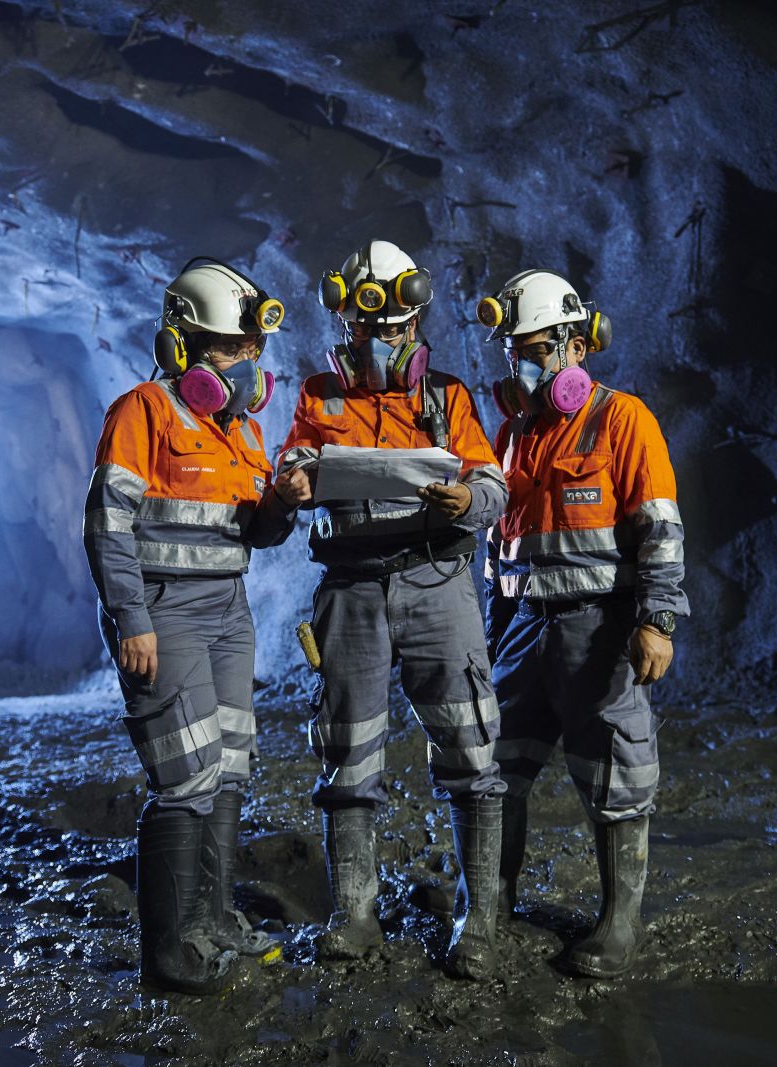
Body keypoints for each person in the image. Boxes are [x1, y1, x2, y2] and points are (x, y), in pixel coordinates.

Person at [277, 240, 508, 979]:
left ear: (416, 326)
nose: (387, 341)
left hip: (438, 584)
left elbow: (494, 487)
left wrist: (469, 499)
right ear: (347, 325)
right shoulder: (319, 397)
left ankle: (481, 922)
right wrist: (294, 487)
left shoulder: (448, 398)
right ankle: (354, 914)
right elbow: (290, 473)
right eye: (373, 329)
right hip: (351, 590)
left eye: (400, 328)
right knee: (349, 752)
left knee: (471, 752)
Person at [83, 257, 312, 995]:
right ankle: (170, 954)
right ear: (181, 346)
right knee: (183, 777)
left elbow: (258, 533)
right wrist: (131, 618)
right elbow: (108, 525)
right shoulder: (140, 412)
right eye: (228, 349)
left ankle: (213, 921)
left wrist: (283, 501)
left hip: (227, 611)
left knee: (226, 769)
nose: (245, 364)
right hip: (165, 611)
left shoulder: (242, 430)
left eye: (251, 351)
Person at [473, 268, 688, 979]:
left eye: (536, 348)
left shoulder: (623, 420)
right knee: (495, 772)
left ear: (574, 344)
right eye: (516, 351)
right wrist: (489, 628)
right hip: (521, 629)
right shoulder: (513, 433)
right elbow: (500, 546)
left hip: (599, 631)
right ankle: (490, 908)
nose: (525, 363)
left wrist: (656, 619)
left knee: (614, 775)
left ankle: (618, 924)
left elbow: (659, 528)